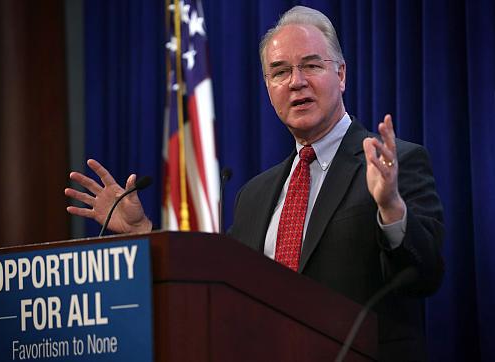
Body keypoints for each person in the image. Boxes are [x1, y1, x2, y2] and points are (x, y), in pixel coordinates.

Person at [65, 6, 444, 361]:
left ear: (341, 75)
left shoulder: (394, 164)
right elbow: (218, 281)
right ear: (267, 86)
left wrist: (391, 207)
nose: (296, 82)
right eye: (279, 72)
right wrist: (144, 230)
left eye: (311, 65)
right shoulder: (254, 195)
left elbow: (425, 276)